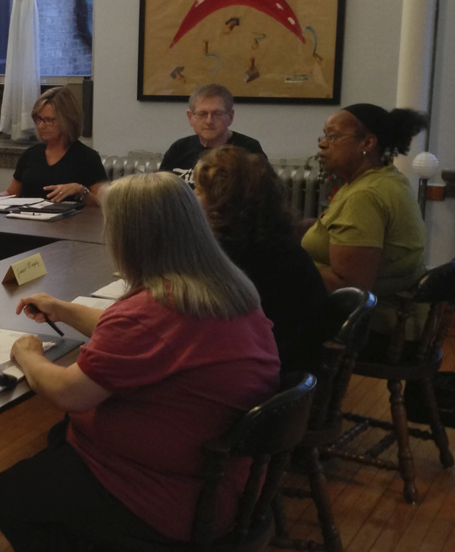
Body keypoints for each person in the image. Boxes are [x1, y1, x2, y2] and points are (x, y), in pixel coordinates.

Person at [0, 172, 279, 552]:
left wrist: (27, 355)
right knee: (58, 445)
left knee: (7, 494)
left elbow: (68, 392)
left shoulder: (151, 312)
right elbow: (134, 334)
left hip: (174, 495)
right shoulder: (220, 287)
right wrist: (63, 310)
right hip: (228, 482)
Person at [195, 146, 328, 373]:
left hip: (264, 373)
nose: (193, 197)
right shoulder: (283, 247)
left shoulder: (229, 261)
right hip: (294, 370)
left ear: (222, 200)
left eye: (198, 191)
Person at [302, 104, 427, 302]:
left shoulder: (364, 196)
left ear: (367, 143)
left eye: (332, 137)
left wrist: (290, 264)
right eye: (324, 137)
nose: (322, 144)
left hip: (367, 317)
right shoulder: (383, 178)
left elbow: (351, 290)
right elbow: (334, 229)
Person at [0, 87, 107, 206]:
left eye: (49, 120)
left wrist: (81, 191)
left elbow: (104, 203)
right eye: (39, 119)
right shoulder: (31, 154)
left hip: (70, 220)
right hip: (29, 219)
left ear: (68, 120)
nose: (41, 125)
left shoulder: (87, 158)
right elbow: (11, 194)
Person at [159, 83, 264, 186]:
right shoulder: (178, 149)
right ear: (190, 117)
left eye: (217, 114)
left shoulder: (248, 150)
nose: (209, 121)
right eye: (202, 114)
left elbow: (262, 193)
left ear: (230, 117)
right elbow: (161, 191)